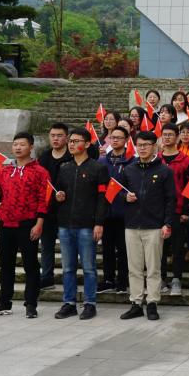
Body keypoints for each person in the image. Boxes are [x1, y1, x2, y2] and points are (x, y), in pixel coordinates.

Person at [0, 132, 49, 318]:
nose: (18, 148)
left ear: (31, 147)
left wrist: (39, 223)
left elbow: (43, 200)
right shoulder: (4, 171)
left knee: (30, 265)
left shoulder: (40, 172)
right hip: (6, 223)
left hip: (28, 224)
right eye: (15, 144)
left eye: (22, 144)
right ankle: (4, 303)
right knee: (6, 265)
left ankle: (31, 304)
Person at [117, 131, 176, 321]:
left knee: (153, 268)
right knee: (134, 268)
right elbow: (118, 191)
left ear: (154, 146)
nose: (142, 148)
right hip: (132, 225)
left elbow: (171, 199)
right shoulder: (129, 169)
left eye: (146, 145)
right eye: (139, 145)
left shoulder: (165, 171)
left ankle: (152, 303)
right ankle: (136, 303)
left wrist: (167, 223)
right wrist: (125, 196)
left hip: (154, 226)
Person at [52, 127, 109, 320]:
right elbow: (57, 192)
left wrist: (99, 222)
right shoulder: (64, 168)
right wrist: (58, 196)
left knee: (88, 267)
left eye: (76, 141)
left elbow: (102, 198)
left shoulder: (98, 168)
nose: (71, 144)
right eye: (70, 141)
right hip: (65, 224)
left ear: (86, 144)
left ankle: (90, 303)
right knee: (67, 268)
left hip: (87, 225)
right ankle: (69, 303)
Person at [158, 124, 189, 297]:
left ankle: (177, 279)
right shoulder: (155, 159)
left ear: (177, 137)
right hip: (157, 210)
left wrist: (186, 210)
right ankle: (161, 279)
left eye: (171, 134)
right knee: (159, 248)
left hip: (178, 210)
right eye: (164, 134)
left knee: (177, 248)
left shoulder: (185, 161)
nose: (167, 137)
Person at [37, 122, 71, 290]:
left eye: (59, 136)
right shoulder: (43, 157)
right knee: (46, 245)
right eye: (52, 136)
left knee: (68, 247)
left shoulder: (72, 157)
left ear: (67, 138)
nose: (55, 139)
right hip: (48, 210)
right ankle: (47, 277)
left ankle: (69, 278)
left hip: (68, 210)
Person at [99, 127, 132, 294]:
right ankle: (108, 279)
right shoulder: (102, 161)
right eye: (113, 137)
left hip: (124, 213)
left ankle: (123, 280)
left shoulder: (131, 161)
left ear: (126, 139)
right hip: (106, 212)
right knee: (107, 248)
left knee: (123, 249)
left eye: (119, 137)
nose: (115, 140)